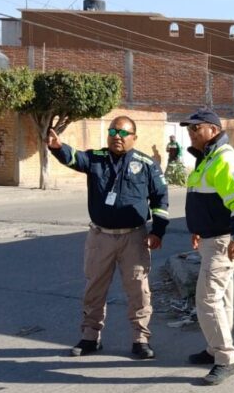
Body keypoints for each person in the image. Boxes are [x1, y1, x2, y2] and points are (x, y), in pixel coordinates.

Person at [47, 115, 169, 359]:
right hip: (100, 236)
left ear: (134, 137)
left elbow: (160, 199)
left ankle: (140, 339)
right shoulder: (96, 159)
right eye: (113, 131)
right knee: (94, 288)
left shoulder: (146, 164)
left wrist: (158, 232)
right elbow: (75, 158)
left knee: (138, 290)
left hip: (134, 238)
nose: (117, 137)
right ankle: (90, 337)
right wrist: (58, 148)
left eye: (124, 133)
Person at [182, 108, 234, 385]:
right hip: (211, 240)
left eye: (195, 128)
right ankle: (215, 349)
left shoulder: (226, 160)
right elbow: (206, 202)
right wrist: (197, 231)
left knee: (207, 299)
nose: (191, 133)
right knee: (222, 299)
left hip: (225, 241)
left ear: (213, 130)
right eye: (189, 129)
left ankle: (227, 359)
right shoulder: (207, 160)